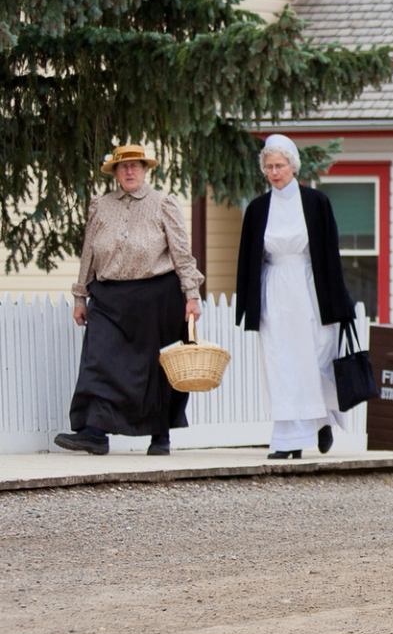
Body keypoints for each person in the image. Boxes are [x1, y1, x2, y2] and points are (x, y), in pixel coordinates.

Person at [58, 143, 204, 456]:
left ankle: (160, 436)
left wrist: (192, 295)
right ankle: (94, 433)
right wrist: (80, 295)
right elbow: (89, 253)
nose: (129, 171)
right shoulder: (100, 205)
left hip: (156, 297)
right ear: (114, 172)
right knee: (98, 362)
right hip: (109, 296)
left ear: (145, 169)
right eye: (122, 167)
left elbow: (182, 254)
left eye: (135, 165)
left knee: (155, 370)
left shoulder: (163, 203)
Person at [237, 135, 356, 460]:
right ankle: (287, 439)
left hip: (309, 287)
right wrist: (248, 304)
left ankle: (321, 419)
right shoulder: (258, 208)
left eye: (281, 165)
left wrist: (340, 301)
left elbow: (330, 254)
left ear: (293, 166)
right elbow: (248, 257)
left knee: (313, 358)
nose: (275, 172)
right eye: (270, 167)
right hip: (274, 288)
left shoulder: (316, 202)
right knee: (280, 363)